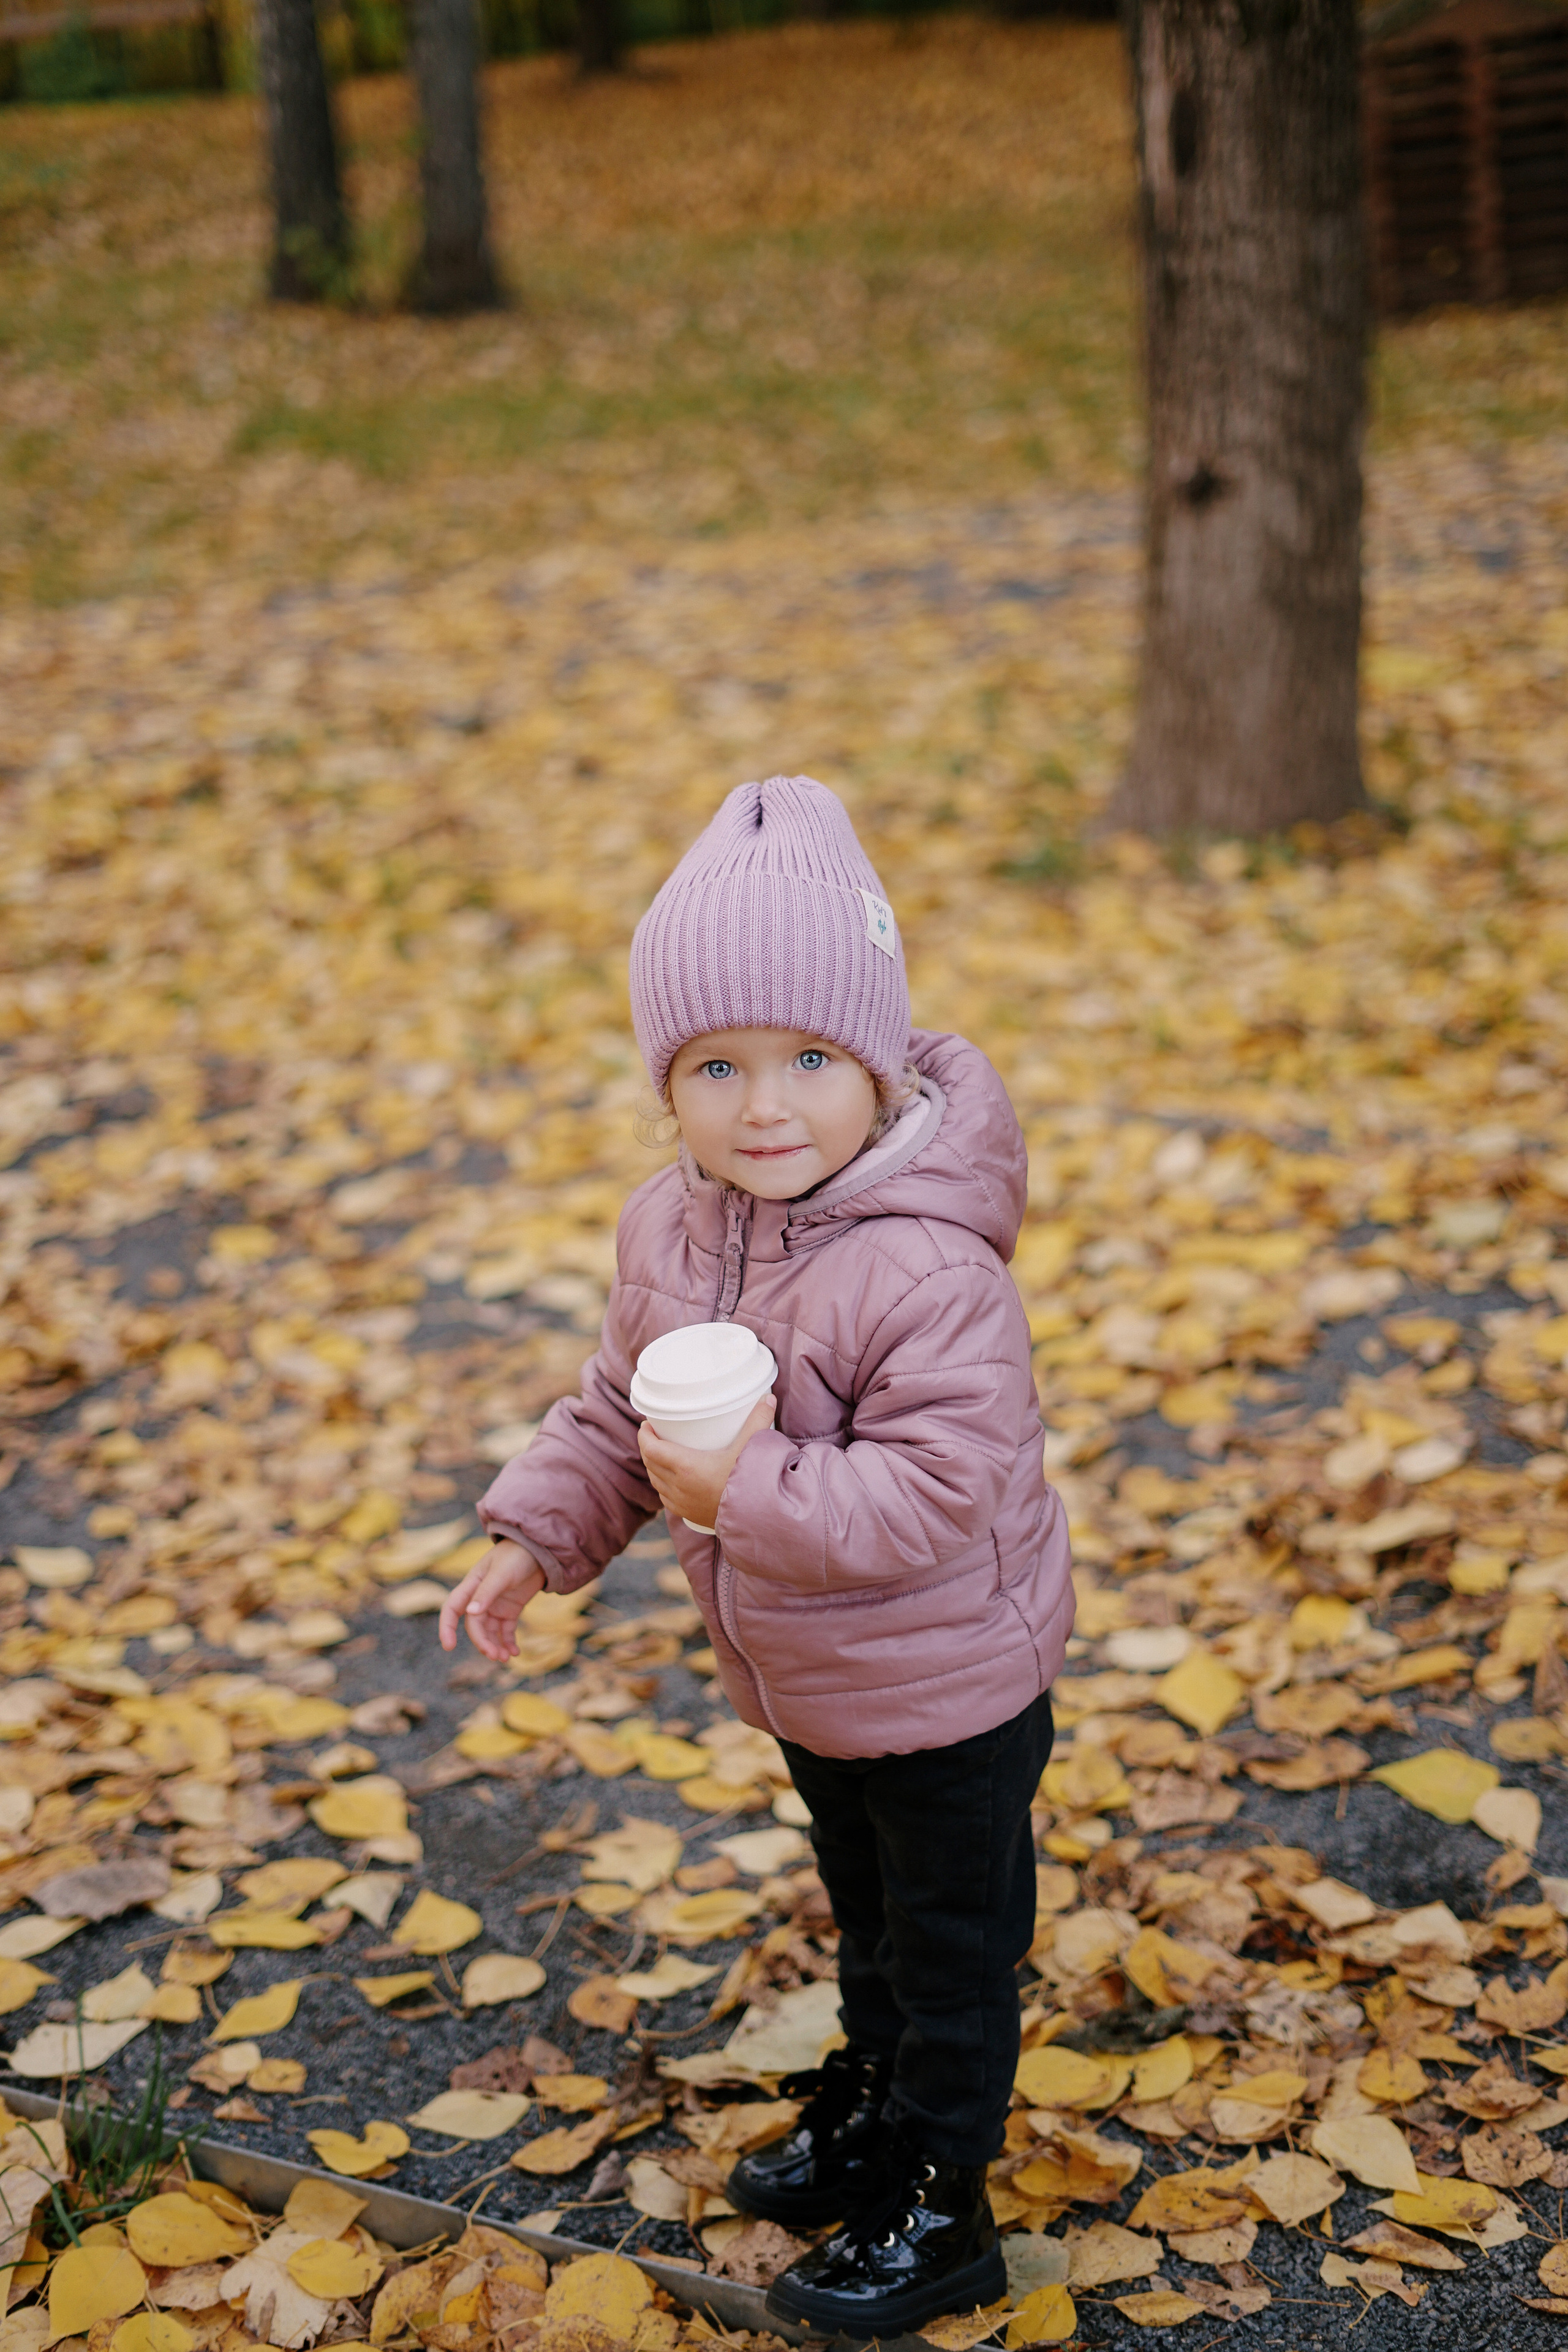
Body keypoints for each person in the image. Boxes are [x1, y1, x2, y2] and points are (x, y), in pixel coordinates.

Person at [439, 774, 1074, 2337]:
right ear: (668, 1086)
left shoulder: (927, 1269)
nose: (763, 1104)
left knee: (948, 1944)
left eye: (807, 1058)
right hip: (810, 1683)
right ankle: (871, 2107)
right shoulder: (671, 1228)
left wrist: (738, 1485)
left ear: (876, 1062)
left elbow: (931, 1494)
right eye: (714, 1065)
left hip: (951, 1690)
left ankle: (943, 2198)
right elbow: (616, 1408)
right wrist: (538, 1533)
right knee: (859, 1912)